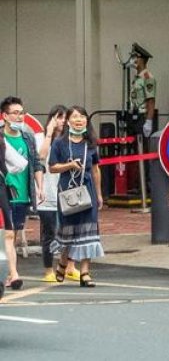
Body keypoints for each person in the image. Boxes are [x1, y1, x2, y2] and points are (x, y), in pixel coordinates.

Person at [48, 106, 104, 286]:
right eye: (75, 117)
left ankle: (85, 272)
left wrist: (99, 194)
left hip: (87, 192)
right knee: (69, 231)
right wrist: (70, 165)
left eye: (82, 116)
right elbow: (52, 167)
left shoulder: (91, 143)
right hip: (67, 193)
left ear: (87, 120)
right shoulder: (60, 143)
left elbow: (95, 170)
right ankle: (63, 262)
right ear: (68, 121)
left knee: (89, 231)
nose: (79, 120)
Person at [2, 96, 43, 291]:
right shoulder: (1, 138)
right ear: (5, 116)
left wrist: (39, 187)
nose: (19, 117)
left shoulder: (27, 137)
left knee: (14, 234)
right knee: (8, 235)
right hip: (4, 193)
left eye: (22, 113)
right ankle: (13, 274)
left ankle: (9, 272)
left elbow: (36, 163)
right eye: (15, 113)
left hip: (23, 194)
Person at [35, 106, 69, 283]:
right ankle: (48, 269)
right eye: (59, 117)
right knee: (49, 232)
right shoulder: (40, 138)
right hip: (46, 193)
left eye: (64, 118)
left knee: (69, 232)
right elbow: (40, 157)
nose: (62, 121)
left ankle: (68, 267)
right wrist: (49, 134)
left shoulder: (68, 140)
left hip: (66, 193)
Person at [130, 43, 156, 139]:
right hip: (134, 115)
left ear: (141, 59)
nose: (133, 60)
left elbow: (151, 100)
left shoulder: (147, 77)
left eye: (135, 57)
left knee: (142, 145)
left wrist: (149, 121)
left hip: (143, 117)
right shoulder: (137, 78)